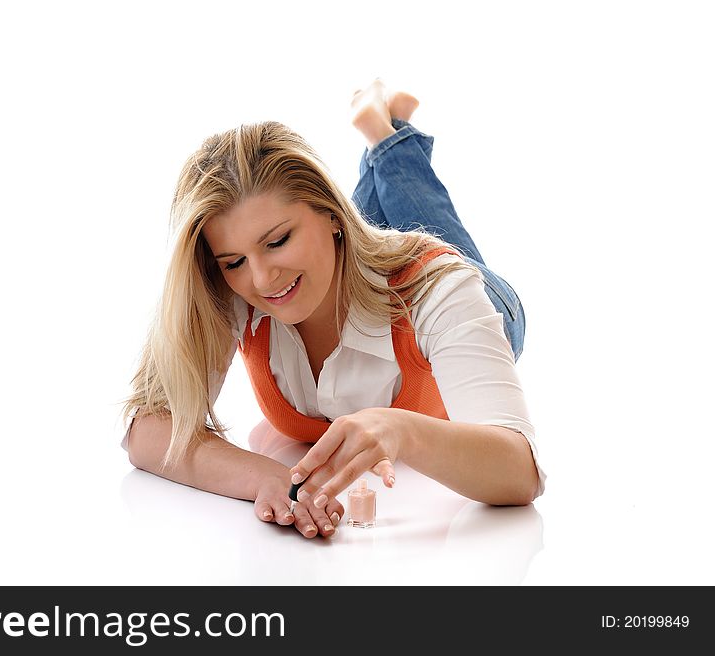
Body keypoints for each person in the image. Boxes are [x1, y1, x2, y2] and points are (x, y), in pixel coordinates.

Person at [121, 79, 545, 540]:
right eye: (234, 261)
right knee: (359, 240)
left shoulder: (440, 290)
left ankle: (390, 139)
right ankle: (385, 131)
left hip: (489, 305)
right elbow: (146, 431)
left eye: (277, 241)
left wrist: (402, 430)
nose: (261, 280)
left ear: (331, 212)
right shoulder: (232, 290)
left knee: (428, 224)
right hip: (355, 252)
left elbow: (521, 471)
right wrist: (265, 477)